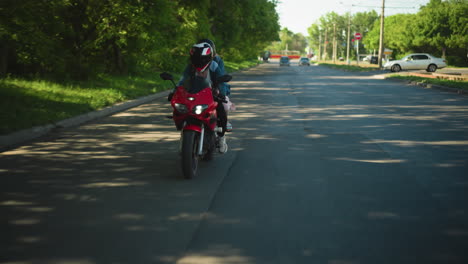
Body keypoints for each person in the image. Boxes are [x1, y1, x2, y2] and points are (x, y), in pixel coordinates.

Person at [173, 41, 230, 153]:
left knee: (221, 109)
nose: (199, 60)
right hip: (194, 94)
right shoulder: (190, 67)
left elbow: (222, 80)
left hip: (211, 94)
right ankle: (184, 132)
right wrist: (176, 91)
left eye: (202, 58)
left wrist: (221, 92)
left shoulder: (214, 65)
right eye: (197, 58)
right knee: (182, 109)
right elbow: (183, 80)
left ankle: (222, 136)